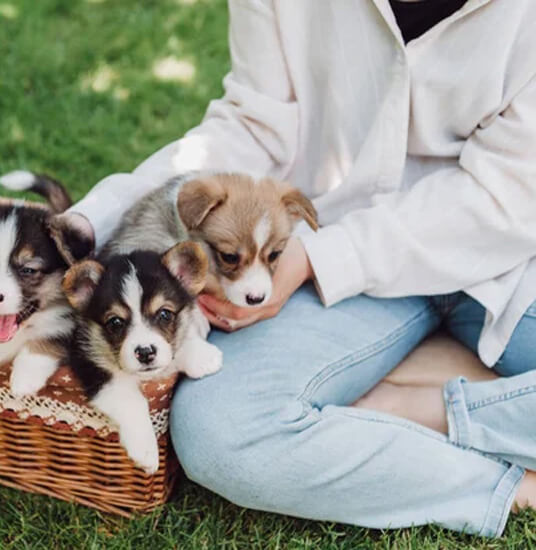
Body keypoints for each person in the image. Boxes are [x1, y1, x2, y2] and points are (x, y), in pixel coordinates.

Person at [69, 0, 536, 537]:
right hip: (328, 267)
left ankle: (420, 407)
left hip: (505, 261)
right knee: (223, 429)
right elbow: (251, 123)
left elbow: (510, 194)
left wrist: (324, 256)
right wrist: (84, 224)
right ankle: (512, 485)